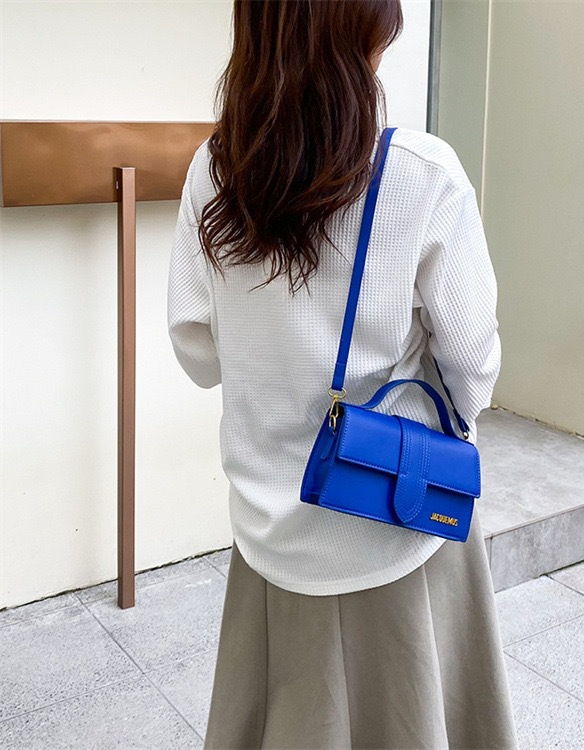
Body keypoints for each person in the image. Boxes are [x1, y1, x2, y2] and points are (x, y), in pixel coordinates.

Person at [168, 1, 519, 748]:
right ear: (359, 36)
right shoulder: (422, 172)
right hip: (401, 514)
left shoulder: (216, 169)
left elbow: (196, 353)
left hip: (271, 534)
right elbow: (473, 362)